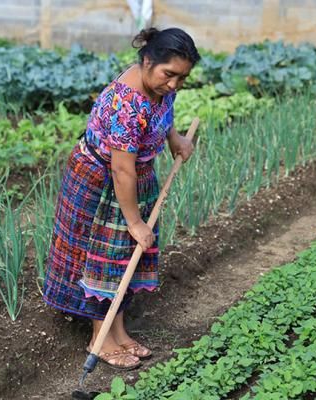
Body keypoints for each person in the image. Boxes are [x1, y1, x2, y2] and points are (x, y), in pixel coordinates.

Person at [42, 27, 200, 370]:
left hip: (134, 175)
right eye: (169, 74)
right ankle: (100, 338)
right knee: (108, 254)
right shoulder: (125, 103)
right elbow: (121, 170)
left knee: (128, 253)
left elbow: (164, 112)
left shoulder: (160, 87)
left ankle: (119, 330)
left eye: (182, 78)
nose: (174, 84)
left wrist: (173, 138)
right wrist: (134, 221)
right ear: (146, 60)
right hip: (103, 179)